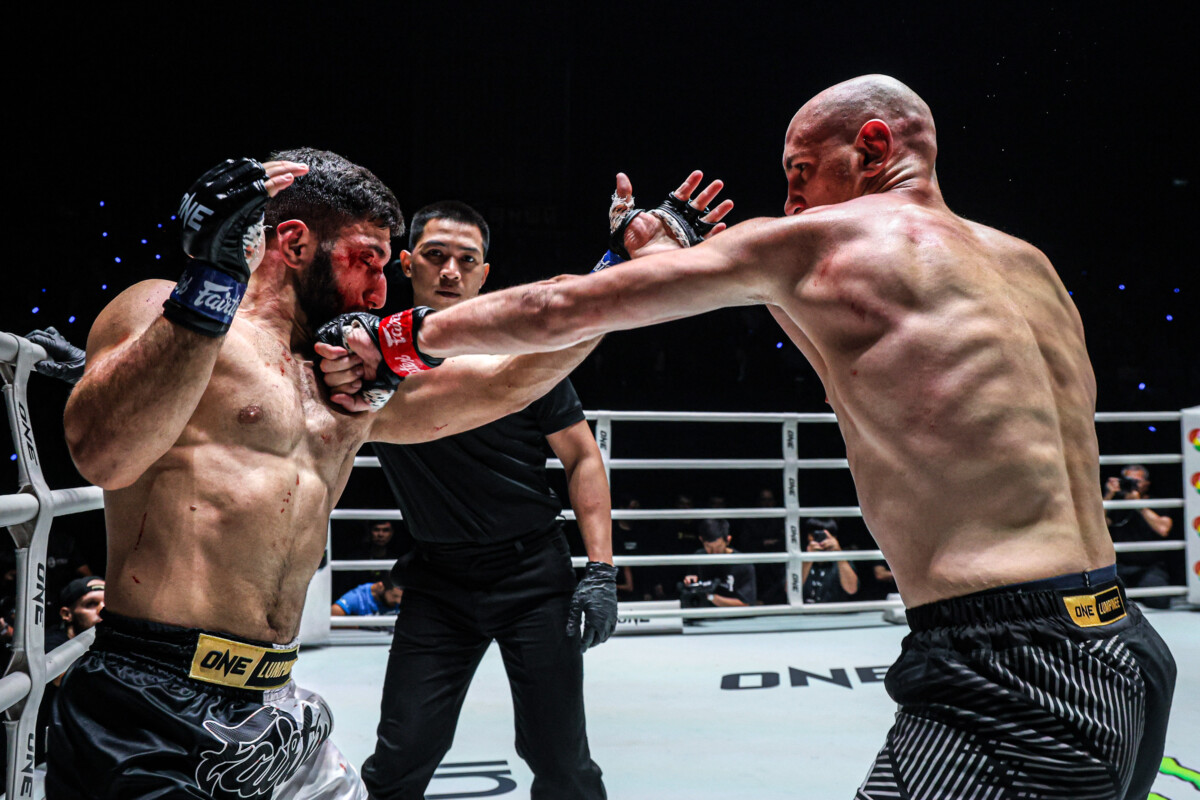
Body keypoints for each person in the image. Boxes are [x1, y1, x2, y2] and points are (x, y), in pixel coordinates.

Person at [385, 75, 1176, 799]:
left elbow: (557, 310)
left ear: (871, 148)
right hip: (1123, 641)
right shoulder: (1026, 264)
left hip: (1012, 666)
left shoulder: (824, 242)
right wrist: (652, 259)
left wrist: (396, 338)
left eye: (800, 172)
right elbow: (802, 318)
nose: (791, 201)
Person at [48, 148, 625, 800]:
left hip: (276, 701)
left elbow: (514, 376)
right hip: (150, 700)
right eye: (365, 262)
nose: (379, 293)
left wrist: (621, 266)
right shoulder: (166, 306)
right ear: (295, 244)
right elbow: (104, 457)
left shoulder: (347, 380)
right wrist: (210, 280)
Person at [357, 200, 665, 799]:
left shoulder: (519, 356)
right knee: (400, 756)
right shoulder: (371, 357)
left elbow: (581, 457)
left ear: (484, 274)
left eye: (466, 260)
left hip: (532, 577)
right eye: (436, 256)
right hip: (438, 580)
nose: (451, 271)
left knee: (561, 759)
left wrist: (601, 569)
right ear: (407, 263)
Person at [1104, 464, 1175, 609]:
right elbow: (1096, 526)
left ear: (1147, 483)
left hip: (1149, 567)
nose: (1132, 484)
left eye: (1137, 481)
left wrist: (1139, 505)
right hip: (1119, 567)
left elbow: (1163, 529)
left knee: (1160, 601)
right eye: (1128, 480)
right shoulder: (1115, 504)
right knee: (1108, 603)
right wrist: (1108, 496)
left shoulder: (1156, 502)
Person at [681, 519, 756, 607]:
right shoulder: (699, 557)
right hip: (703, 612)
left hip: (731, 614)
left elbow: (746, 604)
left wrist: (711, 597)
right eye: (709, 547)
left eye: (718, 547)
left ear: (728, 540)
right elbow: (690, 591)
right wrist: (690, 582)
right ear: (701, 540)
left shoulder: (742, 564)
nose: (714, 552)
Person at [799, 518, 858, 604]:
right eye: (815, 535)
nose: (821, 539)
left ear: (834, 538)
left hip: (834, 611)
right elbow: (789, 589)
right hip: (802, 611)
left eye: (824, 535)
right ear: (808, 536)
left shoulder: (843, 561)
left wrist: (839, 554)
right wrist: (808, 559)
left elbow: (851, 589)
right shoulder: (798, 558)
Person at [330, 574, 404, 617]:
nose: (399, 601)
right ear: (380, 587)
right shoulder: (357, 597)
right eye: (395, 596)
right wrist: (360, 626)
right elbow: (330, 616)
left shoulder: (405, 596)